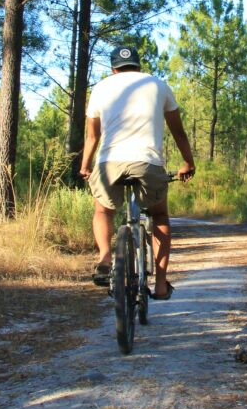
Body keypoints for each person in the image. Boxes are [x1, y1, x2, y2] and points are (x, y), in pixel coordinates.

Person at [79, 45, 195, 300]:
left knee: (102, 211)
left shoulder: (101, 88)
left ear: (113, 69)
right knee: (160, 217)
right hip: (148, 163)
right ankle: (162, 284)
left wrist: (85, 165)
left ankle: (105, 258)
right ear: (139, 66)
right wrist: (188, 162)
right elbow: (178, 131)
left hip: (109, 163)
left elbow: (92, 136)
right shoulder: (158, 85)